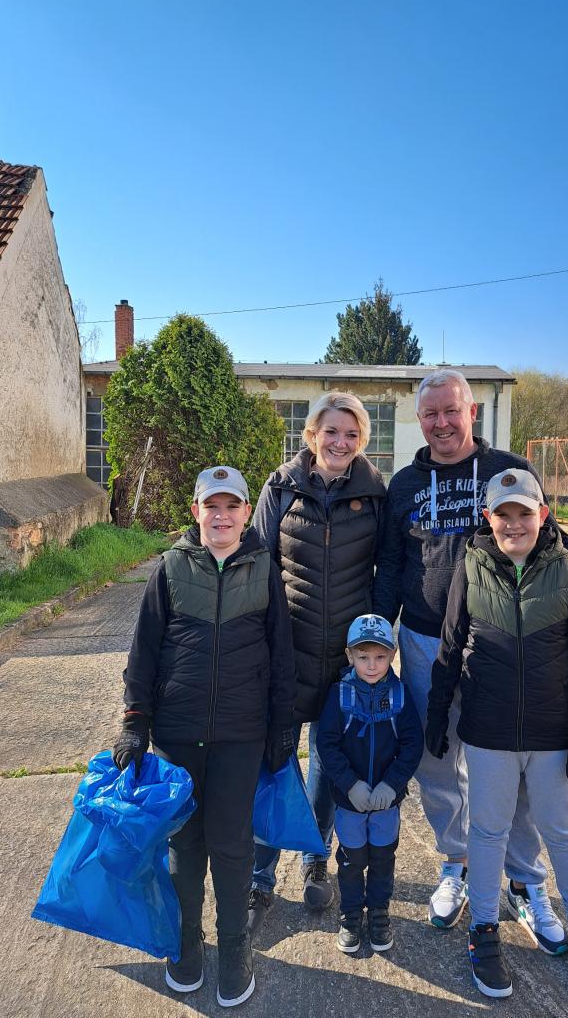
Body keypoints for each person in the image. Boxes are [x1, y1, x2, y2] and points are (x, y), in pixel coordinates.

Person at [373, 368, 568, 944]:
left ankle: (524, 880)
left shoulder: (509, 471)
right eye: (431, 414)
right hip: (426, 641)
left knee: (518, 763)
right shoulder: (404, 485)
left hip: (505, 644)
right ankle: (457, 862)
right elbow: (391, 566)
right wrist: (379, 633)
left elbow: (557, 540)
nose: (442, 423)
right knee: (437, 759)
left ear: (471, 412)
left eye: (451, 411)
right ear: (419, 419)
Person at [112, 466, 295, 1008]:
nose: (221, 515)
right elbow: (143, 652)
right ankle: (186, 944)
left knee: (233, 846)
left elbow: (281, 656)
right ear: (196, 512)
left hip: (242, 735)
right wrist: (134, 721)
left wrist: (282, 725)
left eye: (232, 505)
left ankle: (234, 949)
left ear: (246, 513)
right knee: (184, 844)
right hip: (177, 733)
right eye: (211, 506)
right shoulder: (169, 568)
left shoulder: (264, 570)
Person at [426, 467, 568, 997]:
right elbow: (450, 645)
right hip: (489, 732)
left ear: (543, 515)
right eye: (503, 515)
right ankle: (483, 929)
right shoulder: (471, 565)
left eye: (524, 514)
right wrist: (437, 714)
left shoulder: (566, 570)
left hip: (553, 733)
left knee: (562, 829)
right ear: (488, 517)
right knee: (487, 831)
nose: (513, 524)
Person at [247, 392, 387, 934]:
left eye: (351, 434)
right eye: (331, 431)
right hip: (286, 652)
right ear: (311, 435)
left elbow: (386, 569)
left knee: (328, 763)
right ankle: (260, 876)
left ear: (362, 440)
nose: (340, 443)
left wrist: (374, 643)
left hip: (344, 661)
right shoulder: (281, 487)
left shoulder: (374, 493)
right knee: (275, 762)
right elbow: (258, 564)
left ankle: (315, 858)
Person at [316, 614, 423, 953]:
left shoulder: (400, 695)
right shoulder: (340, 695)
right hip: (350, 802)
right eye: (363, 657)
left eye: (380, 656)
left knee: (382, 859)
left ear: (392, 655)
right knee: (351, 861)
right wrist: (350, 784)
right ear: (350, 656)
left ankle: (379, 912)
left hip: (386, 803)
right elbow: (326, 745)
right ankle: (350, 915)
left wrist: (392, 784)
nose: (372, 665)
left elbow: (413, 744)